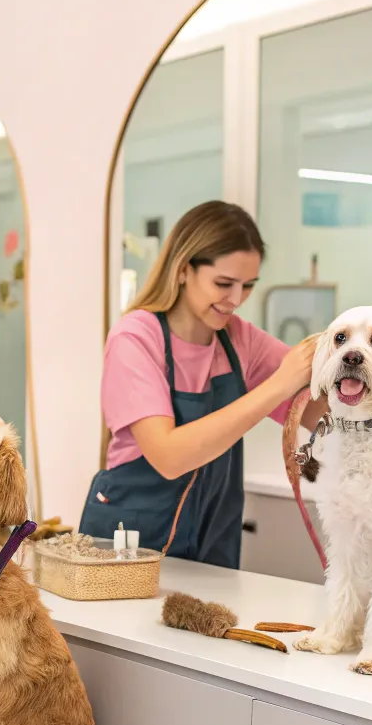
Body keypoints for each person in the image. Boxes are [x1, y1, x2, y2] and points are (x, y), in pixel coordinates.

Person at [80, 200, 325, 568]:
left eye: (248, 285)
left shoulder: (241, 340)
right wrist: (278, 385)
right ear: (183, 270)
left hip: (213, 544)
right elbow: (169, 457)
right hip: (130, 544)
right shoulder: (136, 337)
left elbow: (322, 415)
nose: (236, 299)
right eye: (223, 283)